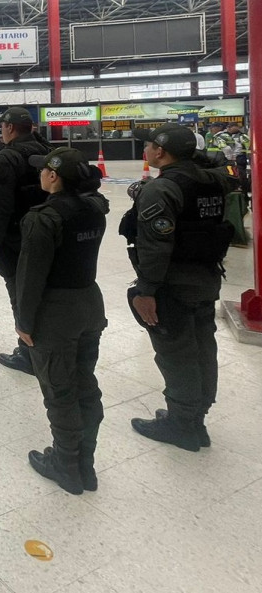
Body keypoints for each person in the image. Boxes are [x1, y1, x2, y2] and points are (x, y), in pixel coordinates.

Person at [125, 123, 237, 452]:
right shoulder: (214, 179)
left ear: (159, 151)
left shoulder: (162, 189)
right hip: (206, 278)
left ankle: (181, 424)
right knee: (203, 347)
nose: (145, 150)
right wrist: (191, 155)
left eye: (148, 146)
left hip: (173, 284)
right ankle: (195, 418)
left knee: (175, 353)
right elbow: (227, 169)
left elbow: (156, 248)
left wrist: (145, 291)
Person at [16, 148, 109, 495]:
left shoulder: (43, 218)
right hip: (89, 304)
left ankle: (66, 465)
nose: (40, 174)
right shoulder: (94, 211)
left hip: (56, 314)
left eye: (44, 171)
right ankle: (85, 461)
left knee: (60, 391)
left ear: (53, 176)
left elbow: (30, 278)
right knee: (85, 383)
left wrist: (24, 323)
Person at [0, 107, 53, 376]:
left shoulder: (8, 157)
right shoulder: (47, 150)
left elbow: (3, 206)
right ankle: (43, 345)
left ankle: (27, 354)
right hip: (47, 233)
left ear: (10, 128)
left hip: (16, 238)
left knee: (19, 293)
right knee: (43, 291)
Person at [227, 124, 251, 192]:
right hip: (229, 158)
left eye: (231, 126)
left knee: (240, 174)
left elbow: (248, 147)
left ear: (237, 127)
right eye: (228, 127)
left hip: (239, 158)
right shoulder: (227, 136)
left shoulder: (242, 136)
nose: (229, 128)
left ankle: (244, 188)